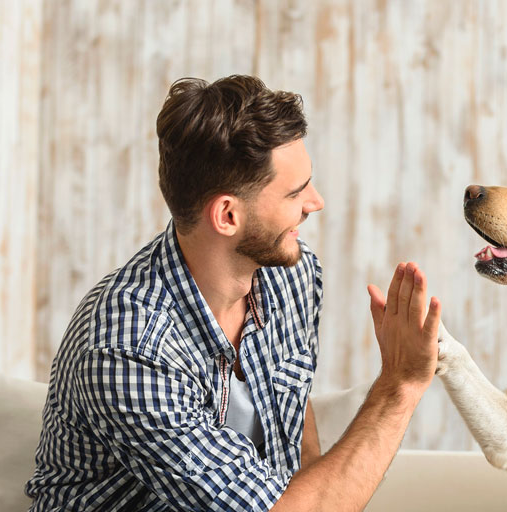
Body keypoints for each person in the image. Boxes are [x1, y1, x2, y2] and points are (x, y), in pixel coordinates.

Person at [26, 75, 442, 511]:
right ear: (227, 215)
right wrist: (401, 384)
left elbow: (294, 425)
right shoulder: (128, 346)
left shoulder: (292, 278)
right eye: (296, 191)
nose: (315, 202)